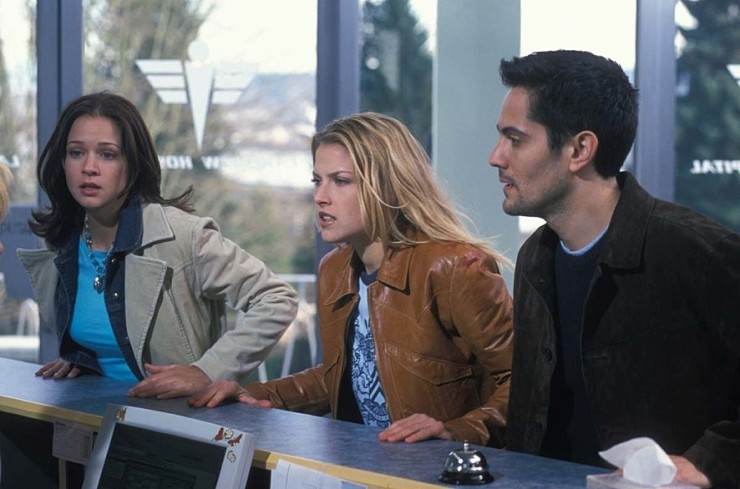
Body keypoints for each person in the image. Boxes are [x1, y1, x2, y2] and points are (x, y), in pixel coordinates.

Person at [488, 49, 740, 487]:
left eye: (516, 139)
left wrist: (706, 462)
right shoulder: (535, 258)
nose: (496, 157)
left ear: (580, 149)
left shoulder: (697, 252)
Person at [190, 112, 514, 446]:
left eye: (341, 181)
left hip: (442, 468)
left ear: (387, 185)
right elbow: (342, 376)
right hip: (360, 463)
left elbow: (523, 383)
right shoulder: (335, 269)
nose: (320, 196)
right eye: (317, 180)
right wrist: (255, 395)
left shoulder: (454, 266)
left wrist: (455, 431)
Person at [17, 92, 298, 399]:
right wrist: (81, 356)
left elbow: (277, 298)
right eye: (76, 153)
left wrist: (208, 371)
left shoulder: (184, 236)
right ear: (62, 162)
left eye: (107, 154)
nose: (89, 167)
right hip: (88, 415)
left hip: (173, 419)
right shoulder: (61, 242)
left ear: (133, 164)